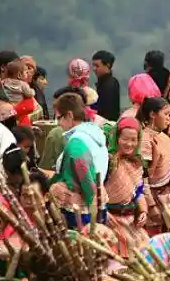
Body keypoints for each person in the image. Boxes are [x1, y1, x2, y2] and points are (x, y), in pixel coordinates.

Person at [48, 92, 109, 229]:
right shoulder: (96, 134)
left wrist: (92, 201)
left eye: (59, 118)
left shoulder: (76, 142)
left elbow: (84, 173)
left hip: (81, 212)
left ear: (69, 115)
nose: (58, 123)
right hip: (99, 202)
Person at [104, 117, 149, 256]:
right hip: (110, 220)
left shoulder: (137, 163)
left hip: (130, 220)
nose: (129, 144)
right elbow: (95, 189)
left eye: (133, 140)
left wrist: (143, 211)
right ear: (117, 138)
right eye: (125, 139)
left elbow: (139, 191)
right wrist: (103, 211)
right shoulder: (108, 161)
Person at [137, 97, 170, 235]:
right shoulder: (145, 140)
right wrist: (151, 205)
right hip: (154, 200)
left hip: (167, 198)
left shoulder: (163, 137)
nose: (169, 119)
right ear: (152, 114)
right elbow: (142, 177)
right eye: (165, 114)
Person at [91, 50, 121, 121]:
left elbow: (107, 112)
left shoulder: (109, 85)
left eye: (97, 66)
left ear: (107, 65)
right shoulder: (105, 83)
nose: (94, 69)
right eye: (93, 66)